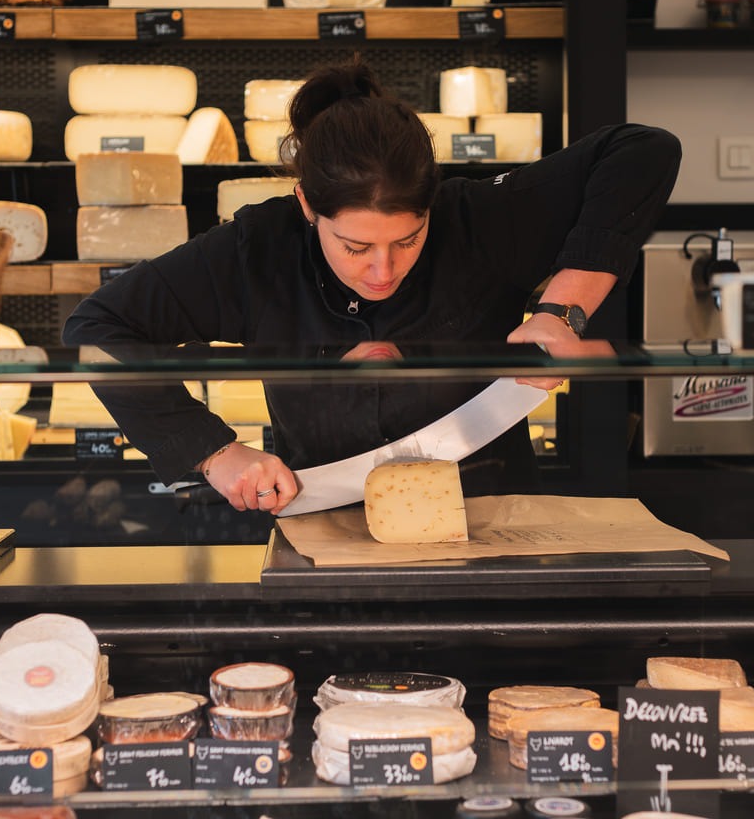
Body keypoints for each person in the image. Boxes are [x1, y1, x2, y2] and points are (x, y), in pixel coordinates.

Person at [63, 57, 681, 517]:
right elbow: (97, 329)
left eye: (407, 241)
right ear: (307, 204)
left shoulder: (480, 220)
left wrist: (561, 312)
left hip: (489, 524)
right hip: (322, 521)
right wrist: (218, 453)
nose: (382, 271)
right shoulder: (258, 250)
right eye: (355, 247)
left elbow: (643, 150)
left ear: (433, 204)